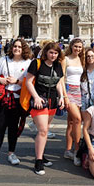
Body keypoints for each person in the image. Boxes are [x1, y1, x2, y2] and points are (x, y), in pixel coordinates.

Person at [0, 39, 32, 171]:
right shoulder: (3, 60)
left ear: (23, 49)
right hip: (2, 98)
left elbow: (31, 81)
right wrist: (0, 79)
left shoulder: (28, 63)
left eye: (19, 47)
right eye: (15, 46)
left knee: (13, 127)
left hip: (17, 99)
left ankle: (11, 153)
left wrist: (17, 81)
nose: (16, 49)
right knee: (0, 127)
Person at [26, 42, 66, 175]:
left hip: (52, 102)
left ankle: (41, 154)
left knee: (45, 129)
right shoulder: (36, 63)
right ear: (46, 52)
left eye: (55, 53)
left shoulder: (58, 65)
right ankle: (38, 161)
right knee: (43, 130)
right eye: (51, 52)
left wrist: (61, 97)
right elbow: (28, 82)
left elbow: (59, 82)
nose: (53, 55)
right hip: (39, 101)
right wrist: (36, 97)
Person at [62, 38, 85, 166]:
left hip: (80, 91)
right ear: (71, 46)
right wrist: (64, 96)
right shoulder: (65, 59)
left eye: (80, 47)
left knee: (71, 123)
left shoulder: (81, 59)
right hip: (69, 90)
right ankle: (77, 151)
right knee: (77, 120)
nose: (77, 49)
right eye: (76, 46)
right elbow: (61, 77)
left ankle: (67, 150)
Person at [80, 48, 94, 115]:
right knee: (85, 122)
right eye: (88, 56)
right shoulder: (82, 70)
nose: (90, 58)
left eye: (92, 56)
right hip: (84, 99)